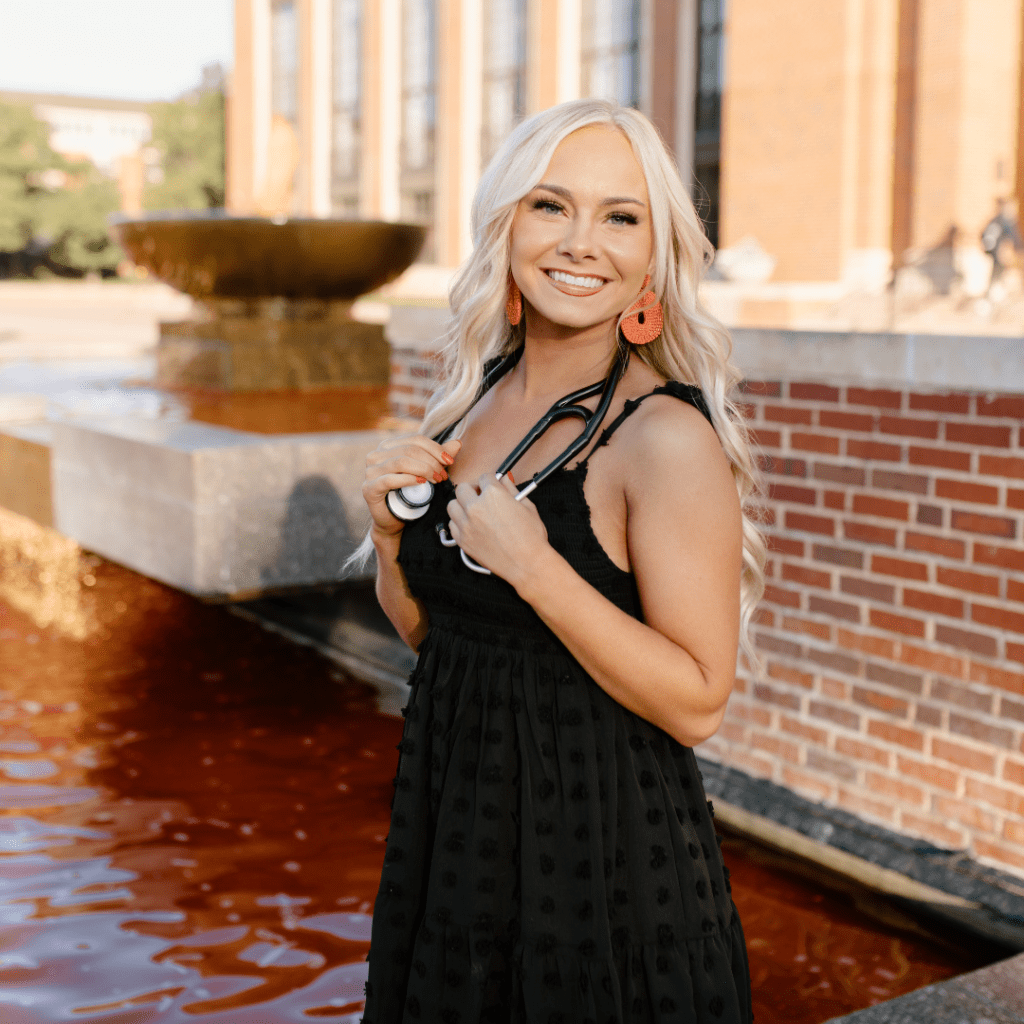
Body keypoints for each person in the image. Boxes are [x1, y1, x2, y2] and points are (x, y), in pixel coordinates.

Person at [357, 99, 765, 1024]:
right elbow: (448, 645)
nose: (583, 243)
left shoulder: (660, 437)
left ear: (654, 258)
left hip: (604, 872)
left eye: (622, 218)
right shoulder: (477, 403)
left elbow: (699, 699)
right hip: (462, 848)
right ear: (507, 225)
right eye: (552, 206)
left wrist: (537, 567)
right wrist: (389, 541)